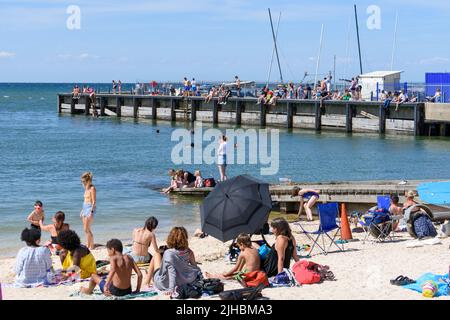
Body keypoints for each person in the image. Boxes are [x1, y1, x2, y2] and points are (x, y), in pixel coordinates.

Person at [145, 227, 202, 294]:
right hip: (183, 280)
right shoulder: (189, 252)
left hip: (165, 283)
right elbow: (195, 268)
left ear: (171, 238)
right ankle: (147, 278)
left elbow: (172, 271)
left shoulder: (169, 253)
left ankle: (147, 281)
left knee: (156, 255)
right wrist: (200, 280)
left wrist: (171, 289)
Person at [80, 172, 96, 250]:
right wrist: (82, 210)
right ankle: (88, 244)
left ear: (88, 181)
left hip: (90, 208)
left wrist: (91, 212)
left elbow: (93, 201)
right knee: (85, 229)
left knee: (87, 229)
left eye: (83, 181)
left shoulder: (92, 188)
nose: (82, 183)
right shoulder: (86, 189)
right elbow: (85, 201)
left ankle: (91, 245)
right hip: (85, 208)